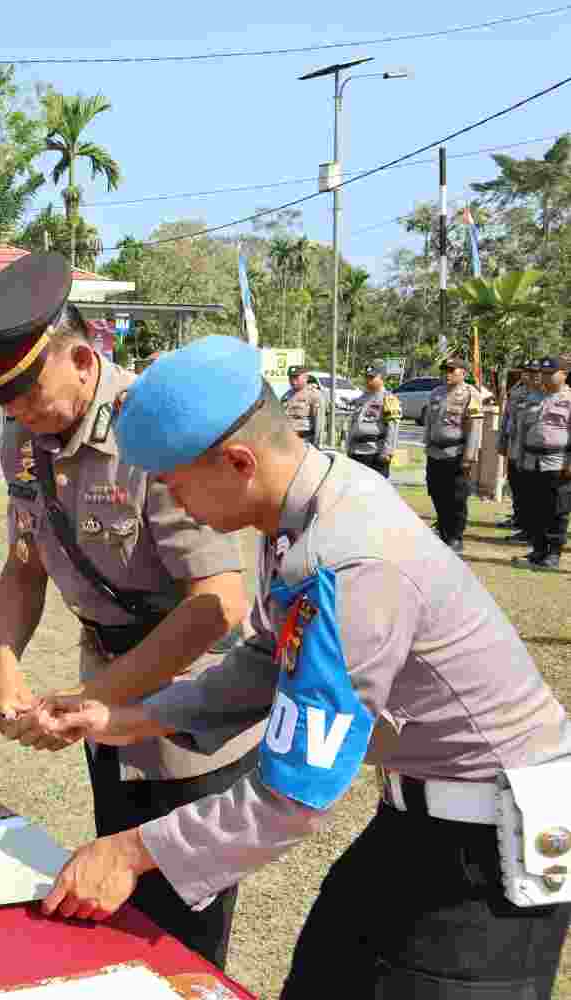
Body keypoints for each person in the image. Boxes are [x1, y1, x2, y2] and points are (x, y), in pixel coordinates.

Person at [31, 335, 570, 999]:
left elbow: (288, 797)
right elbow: (267, 656)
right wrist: (134, 718)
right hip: (416, 817)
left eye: (173, 484)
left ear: (237, 462)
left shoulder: (350, 560)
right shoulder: (303, 508)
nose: (173, 503)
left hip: (488, 852)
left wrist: (131, 851)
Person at [0, 252, 261, 970]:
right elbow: (25, 564)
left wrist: (92, 699)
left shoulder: (155, 433)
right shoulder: (26, 444)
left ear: (83, 360)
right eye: (2, 400)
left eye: (28, 390)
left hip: (189, 710)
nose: (17, 412)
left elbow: (218, 603)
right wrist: (4, 658)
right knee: (114, 904)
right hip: (107, 705)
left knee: (182, 932)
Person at [510, 355, 571, 572]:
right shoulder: (533, 397)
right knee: (533, 507)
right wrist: (516, 455)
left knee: (556, 509)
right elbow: (521, 428)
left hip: (557, 461)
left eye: (550, 373)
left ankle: (553, 553)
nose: (544, 377)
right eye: (543, 373)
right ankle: (538, 549)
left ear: (564, 374)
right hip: (530, 460)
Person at [422, 358, 483, 553]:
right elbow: (429, 423)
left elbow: (475, 427)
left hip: (456, 453)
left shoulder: (470, 395)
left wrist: (469, 456)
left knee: (456, 497)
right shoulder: (436, 393)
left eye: (451, 370)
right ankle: (444, 529)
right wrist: (427, 444)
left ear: (463, 373)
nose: (447, 374)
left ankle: (455, 536)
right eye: (444, 370)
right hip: (435, 452)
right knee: (437, 493)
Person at [500, 360, 542, 541]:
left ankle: (529, 526)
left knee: (529, 489)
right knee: (515, 483)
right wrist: (502, 442)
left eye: (534, 372)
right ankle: (519, 517)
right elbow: (507, 418)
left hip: (531, 449)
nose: (530, 375)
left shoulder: (543, 394)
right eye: (527, 372)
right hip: (514, 444)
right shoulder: (516, 392)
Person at [343, 364, 400, 479]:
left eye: (372, 377)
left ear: (381, 377)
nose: (368, 380)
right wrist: (348, 447)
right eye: (367, 377)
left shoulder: (388, 398)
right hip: (356, 451)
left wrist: (387, 452)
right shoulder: (362, 398)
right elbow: (355, 424)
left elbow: (393, 428)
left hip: (374, 453)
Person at [280, 365, 323, 445]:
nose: (293, 381)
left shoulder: (314, 395)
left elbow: (318, 423)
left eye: (296, 377)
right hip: (286, 439)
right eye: (291, 378)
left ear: (305, 378)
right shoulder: (286, 395)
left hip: (304, 440)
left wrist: (315, 444)